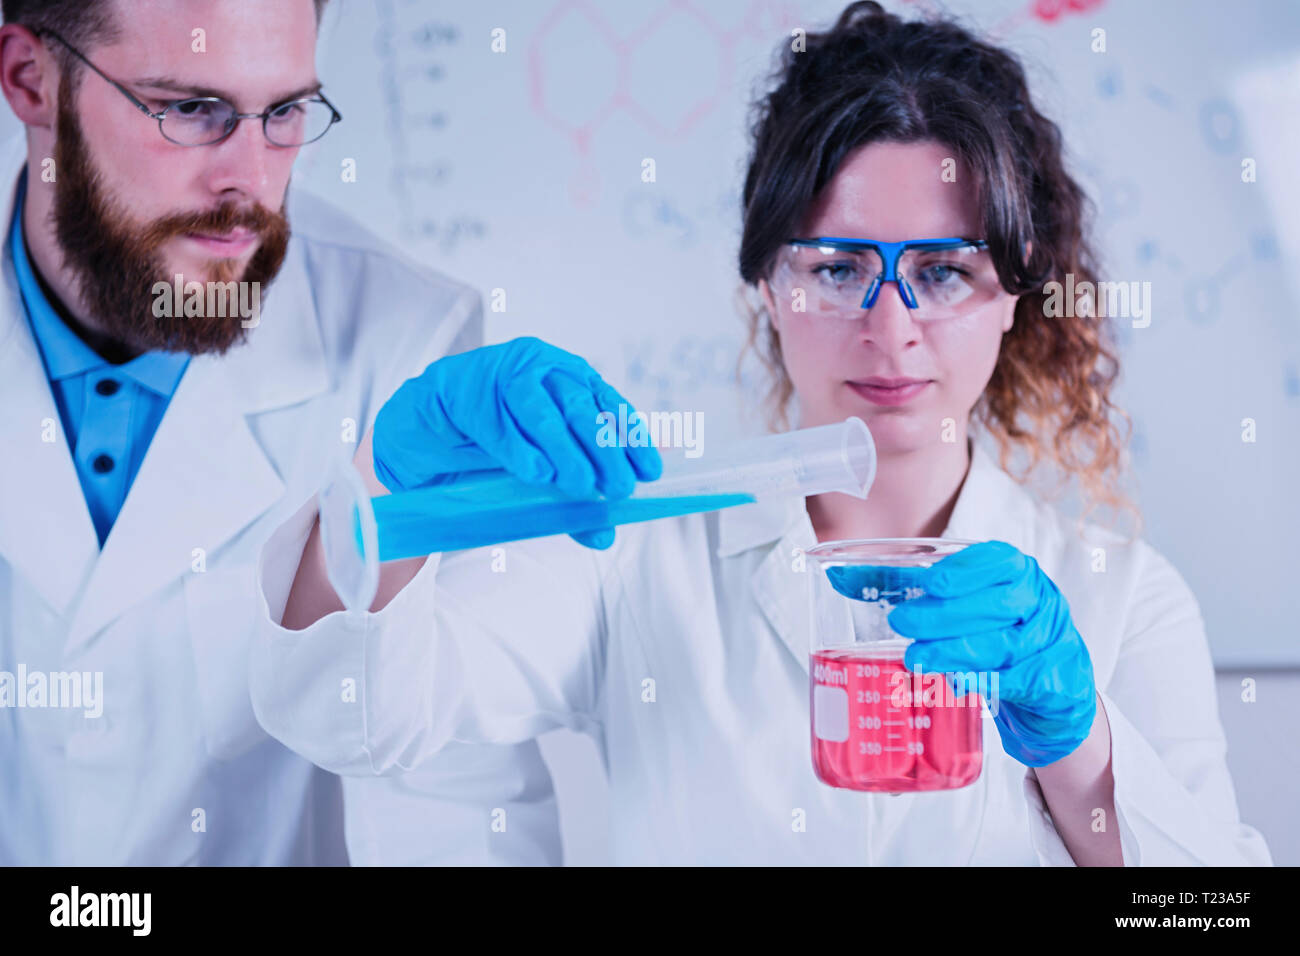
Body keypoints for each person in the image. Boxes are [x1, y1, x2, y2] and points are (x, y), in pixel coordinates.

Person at [251, 1, 1272, 865]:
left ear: (1013, 294)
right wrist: (390, 485)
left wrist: (1079, 749)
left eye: (943, 271)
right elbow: (354, 717)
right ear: (767, 285)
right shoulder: (635, 557)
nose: (890, 325)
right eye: (835, 266)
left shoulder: (1121, 599)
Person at [0, 0, 561, 865]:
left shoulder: (403, 349)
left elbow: (456, 803)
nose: (250, 184)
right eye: (191, 110)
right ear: (30, 79)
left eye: (286, 112)